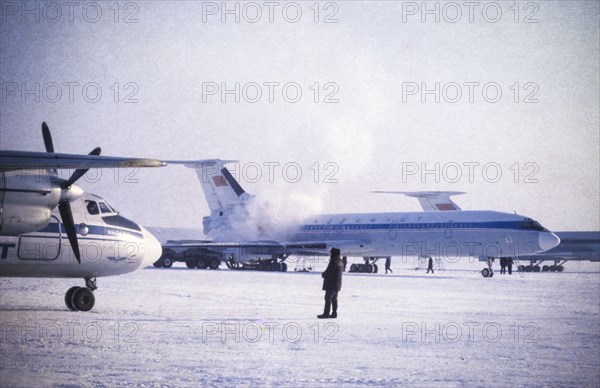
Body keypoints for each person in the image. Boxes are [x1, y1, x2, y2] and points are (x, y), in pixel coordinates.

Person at [318, 248, 343, 319]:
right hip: (337, 284)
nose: (330, 254)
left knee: (327, 298)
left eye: (331, 253)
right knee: (334, 299)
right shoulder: (340, 262)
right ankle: (334, 313)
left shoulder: (334, 261)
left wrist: (324, 274)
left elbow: (329, 271)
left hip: (331, 284)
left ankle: (326, 314)